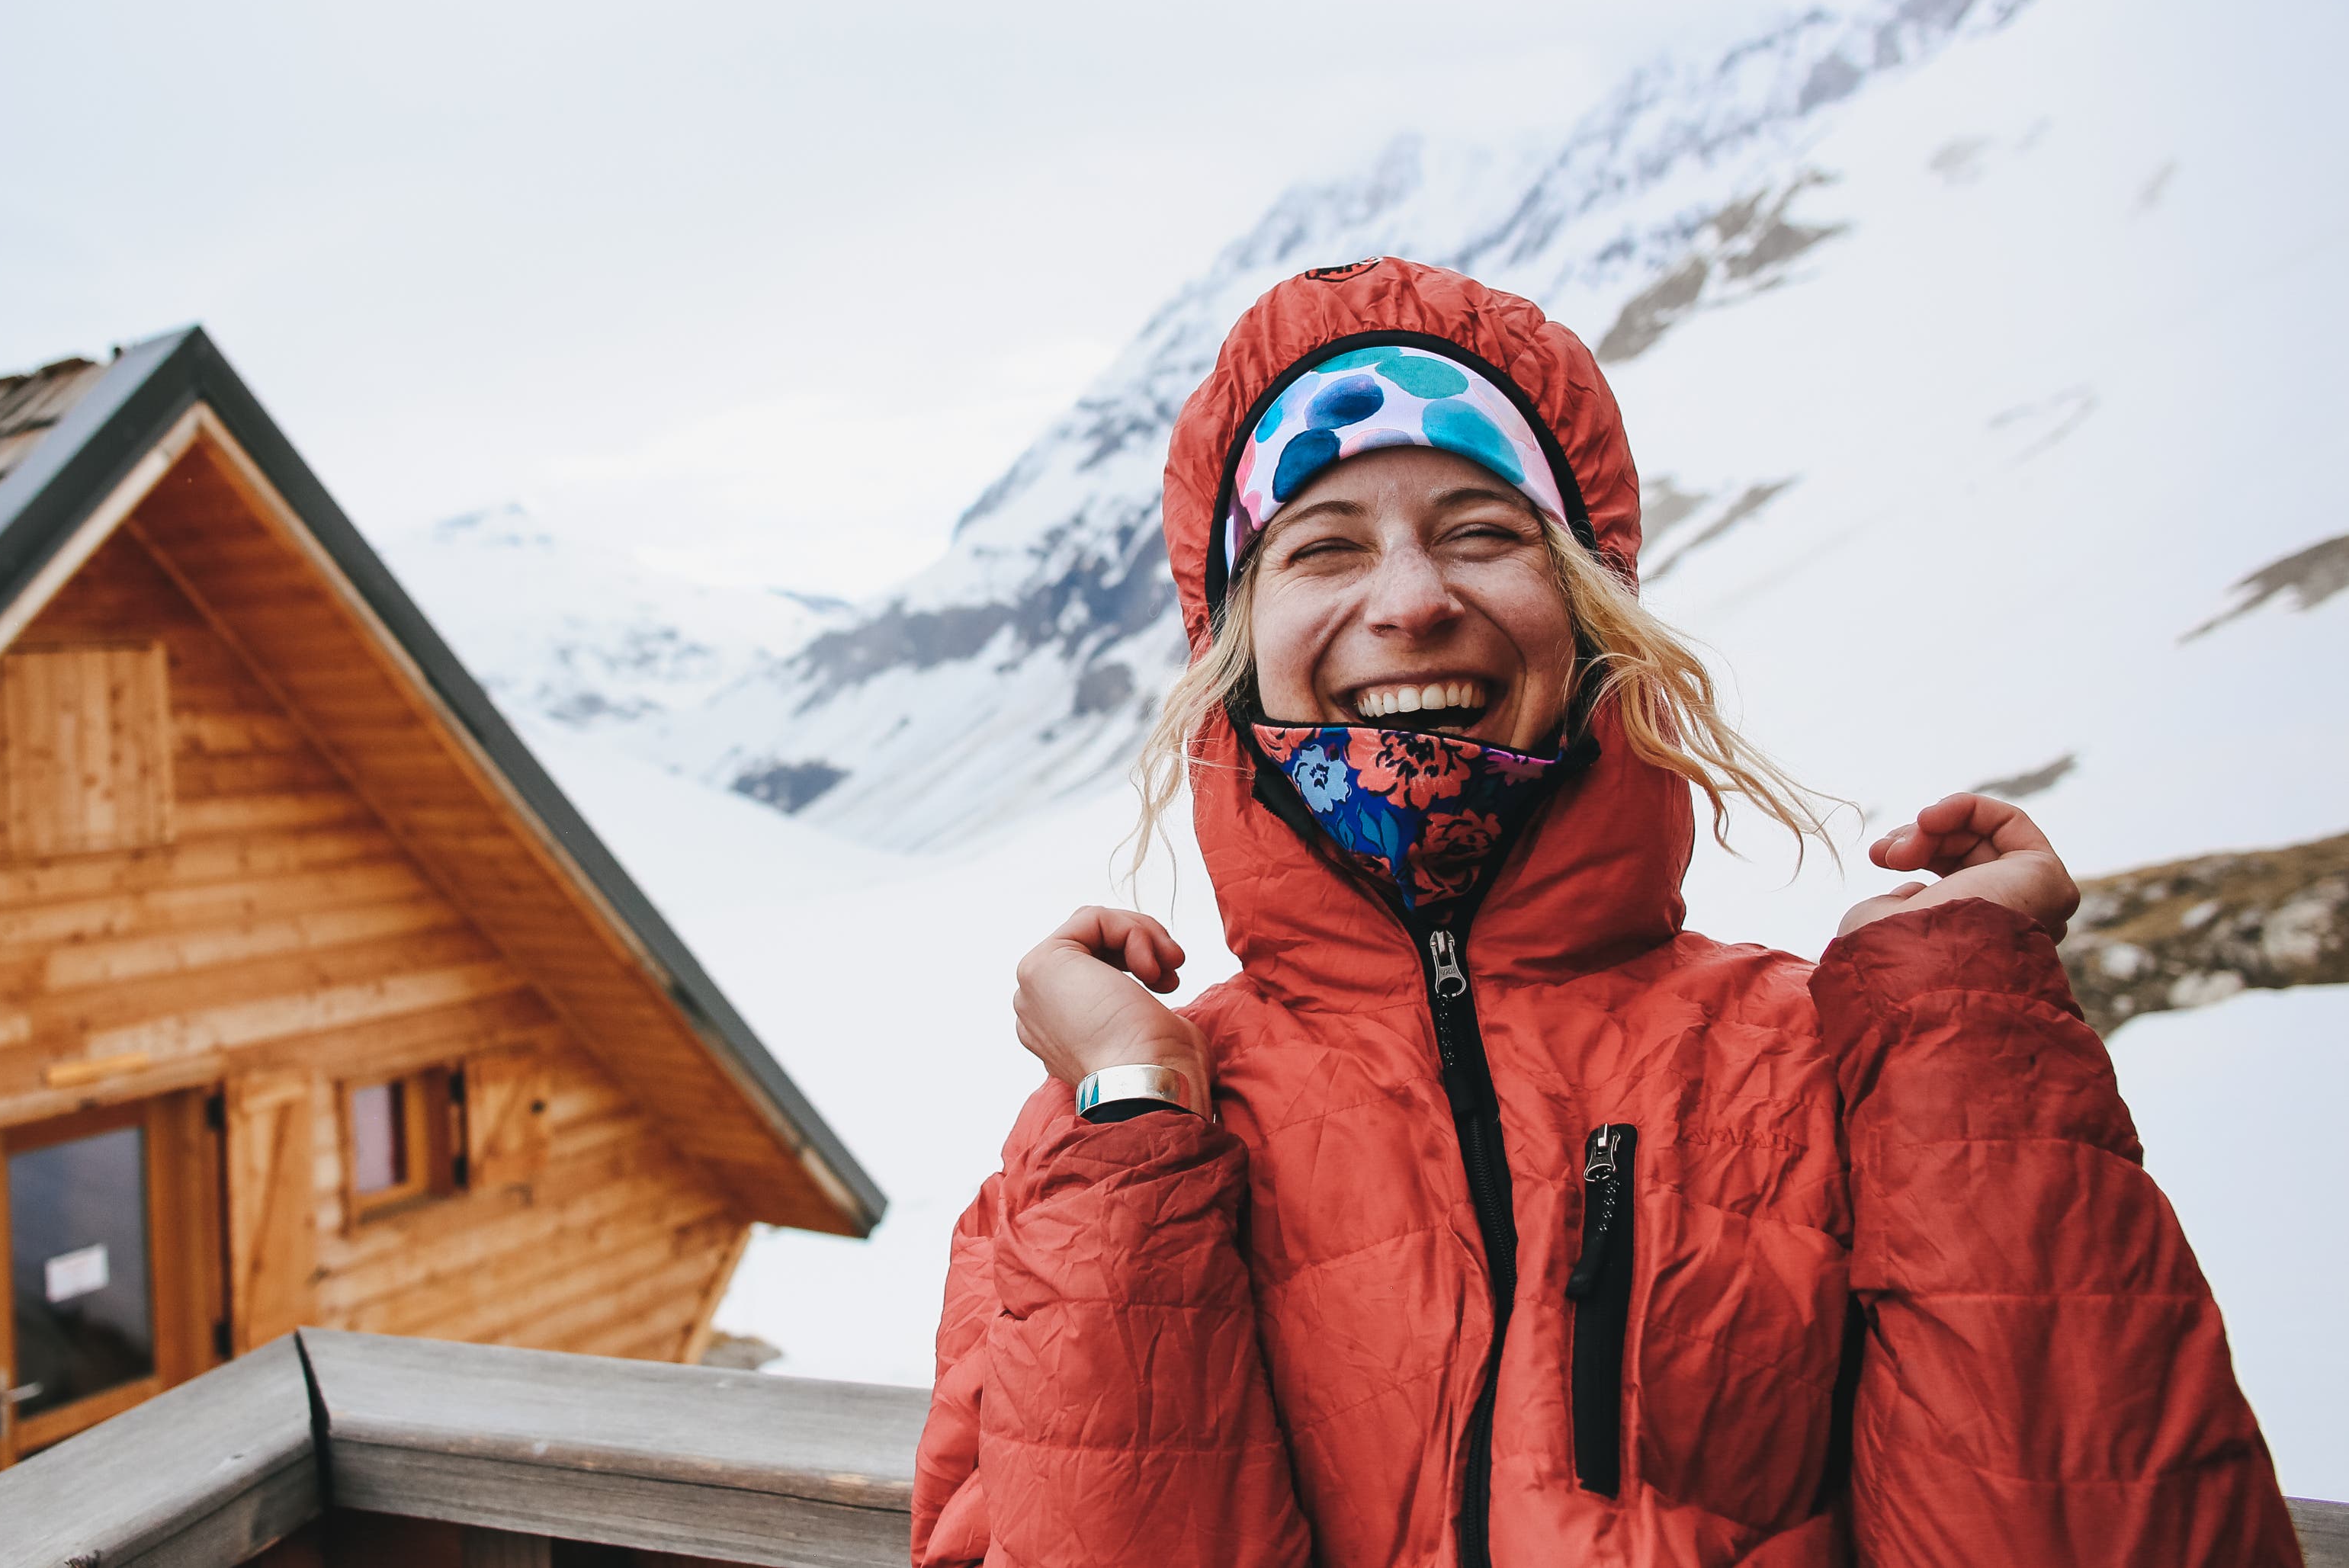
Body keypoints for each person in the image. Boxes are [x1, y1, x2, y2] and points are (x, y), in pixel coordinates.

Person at [910, 259, 2297, 1566]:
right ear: (1234, 650)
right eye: (1320, 550)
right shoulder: (1118, 1136)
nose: (1408, 601)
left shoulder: (1821, 1067)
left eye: (1481, 534)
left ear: (1590, 611)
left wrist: (1960, 1040)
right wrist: (1133, 1117)